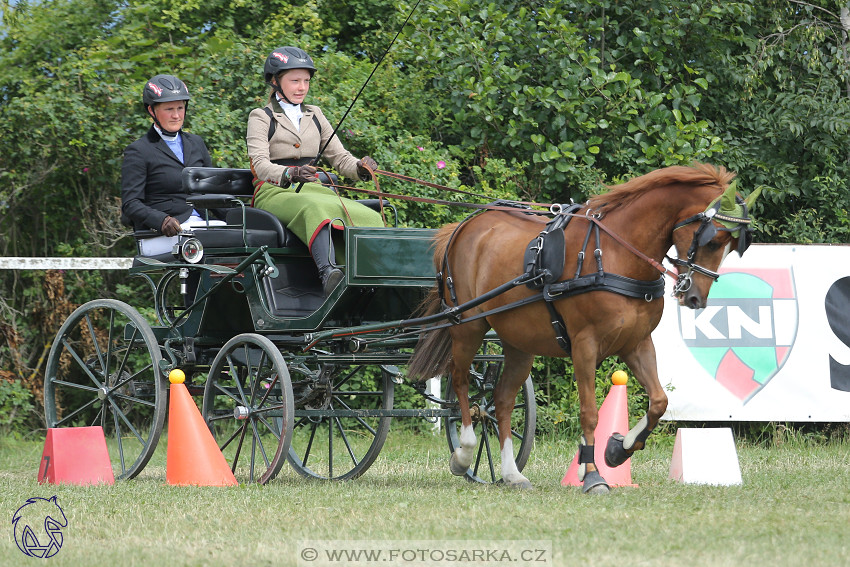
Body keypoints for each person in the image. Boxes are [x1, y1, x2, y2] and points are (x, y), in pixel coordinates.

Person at [246, 46, 383, 294]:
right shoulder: (261, 116)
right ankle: (328, 272)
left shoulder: (315, 114)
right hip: (273, 191)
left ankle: (374, 275)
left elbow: (339, 157)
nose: (302, 87)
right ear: (275, 82)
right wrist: (289, 173)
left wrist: (361, 168)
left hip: (313, 188)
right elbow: (260, 164)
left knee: (367, 215)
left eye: (306, 81)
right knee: (315, 208)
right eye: (295, 81)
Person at [121, 74, 225, 256]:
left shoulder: (196, 143)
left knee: (247, 238)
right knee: (209, 243)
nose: (176, 115)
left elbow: (211, 190)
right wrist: (161, 220)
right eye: (169, 109)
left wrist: (242, 217)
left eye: (180, 108)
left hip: (202, 224)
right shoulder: (139, 150)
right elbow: (131, 203)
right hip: (162, 232)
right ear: (152, 111)